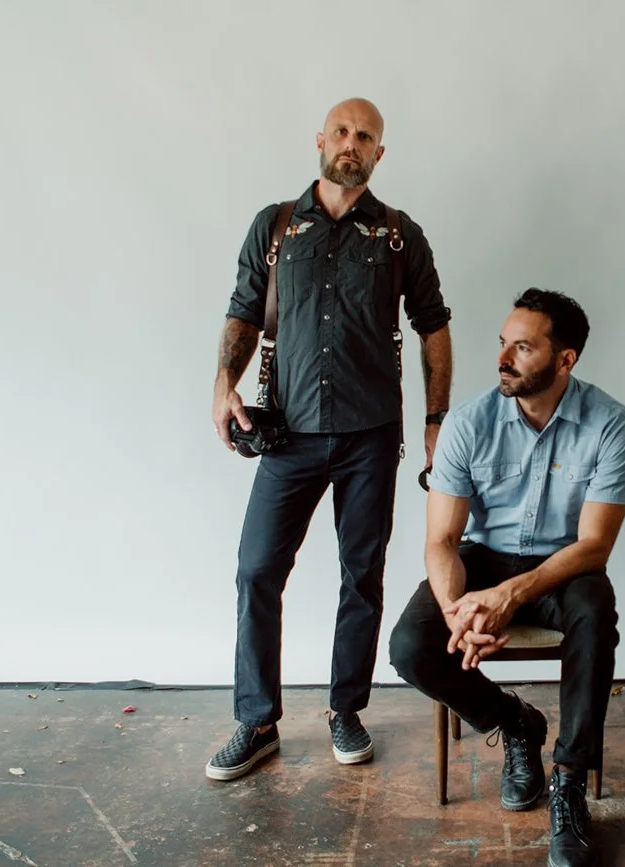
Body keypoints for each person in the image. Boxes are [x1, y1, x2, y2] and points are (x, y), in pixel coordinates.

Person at [207, 98, 452, 781]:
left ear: (379, 153)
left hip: (371, 438)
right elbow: (242, 312)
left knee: (361, 578)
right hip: (287, 436)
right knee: (257, 570)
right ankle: (256, 721)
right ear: (321, 140)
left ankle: (347, 709)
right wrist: (223, 384)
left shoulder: (400, 236)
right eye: (342, 131)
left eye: (365, 135)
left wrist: (436, 421)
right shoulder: (277, 226)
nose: (352, 143)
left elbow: (434, 325)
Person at [390, 289, 625, 867]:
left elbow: (595, 544)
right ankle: (516, 724)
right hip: (483, 558)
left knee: (595, 614)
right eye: (503, 343)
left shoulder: (609, 424)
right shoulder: (469, 424)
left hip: (563, 566)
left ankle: (569, 781)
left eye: (523, 347)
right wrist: (459, 614)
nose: (504, 358)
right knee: (409, 645)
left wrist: (510, 595)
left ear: (565, 359)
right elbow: (442, 541)